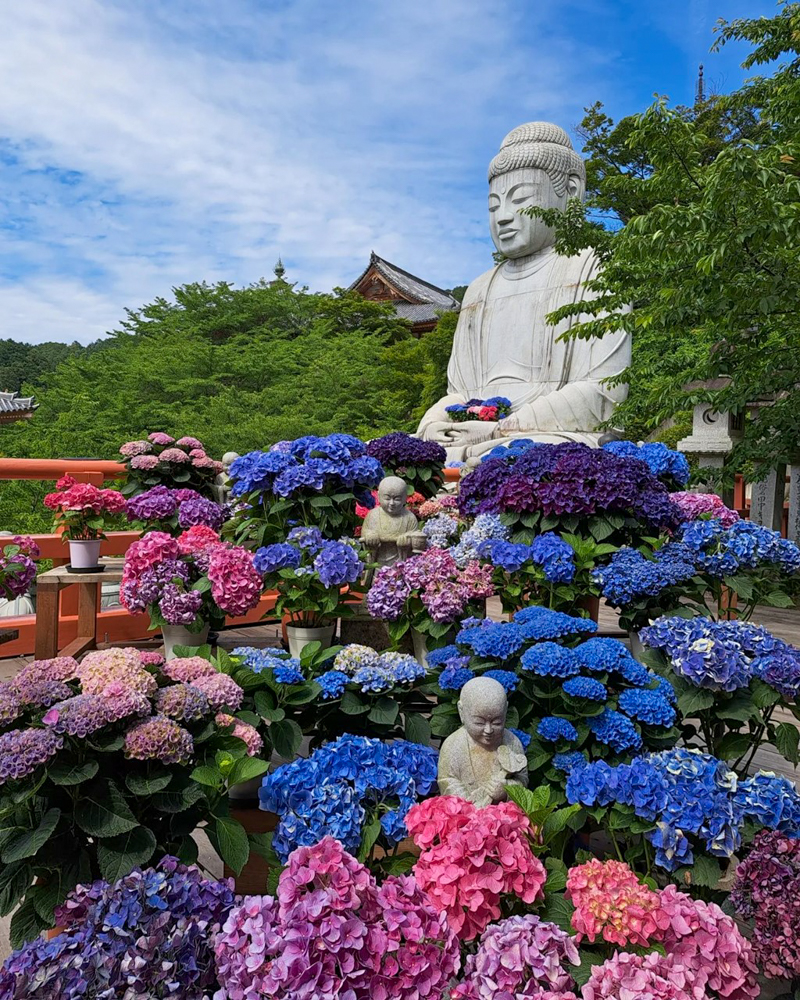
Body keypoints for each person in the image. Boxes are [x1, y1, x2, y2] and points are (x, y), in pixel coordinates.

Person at [416, 121, 630, 462]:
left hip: (547, 435)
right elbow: (460, 393)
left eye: (521, 200)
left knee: (524, 454)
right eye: (493, 205)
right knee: (395, 452)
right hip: (475, 435)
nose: (502, 217)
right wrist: (433, 421)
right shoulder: (479, 290)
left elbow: (606, 392)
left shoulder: (594, 268)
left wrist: (501, 428)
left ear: (571, 191)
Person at [437, 675, 528, 807]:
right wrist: (468, 804)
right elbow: (446, 781)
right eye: (479, 722)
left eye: (497, 722)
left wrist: (507, 789)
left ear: (505, 711)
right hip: (466, 819)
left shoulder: (512, 742)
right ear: (462, 712)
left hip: (504, 819)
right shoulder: (453, 745)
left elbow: (523, 781)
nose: (488, 730)